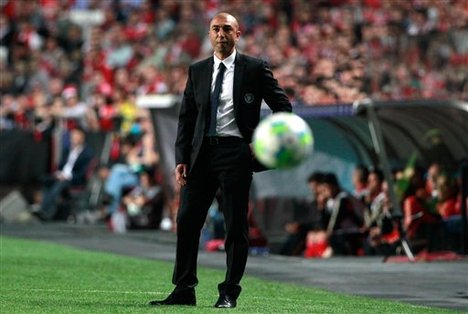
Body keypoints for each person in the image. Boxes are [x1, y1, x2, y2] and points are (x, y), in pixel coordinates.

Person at [149, 12, 292, 308]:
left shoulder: (254, 68)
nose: (221, 34)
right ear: (209, 33)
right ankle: (184, 289)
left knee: (235, 226)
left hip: (236, 154)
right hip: (200, 156)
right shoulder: (197, 70)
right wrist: (181, 158)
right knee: (187, 220)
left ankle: (229, 291)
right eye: (216, 29)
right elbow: (187, 119)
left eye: (227, 29)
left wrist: (262, 145)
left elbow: (284, 109)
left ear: (238, 34)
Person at [34, 127, 94, 221]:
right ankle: (44, 207)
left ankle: (44, 210)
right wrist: (59, 174)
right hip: (62, 176)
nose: (73, 138)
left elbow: (83, 173)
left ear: (82, 137)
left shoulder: (87, 153)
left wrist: (67, 176)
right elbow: (61, 166)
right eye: (72, 136)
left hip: (74, 179)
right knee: (45, 179)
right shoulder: (67, 150)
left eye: (76, 136)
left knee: (60, 184)